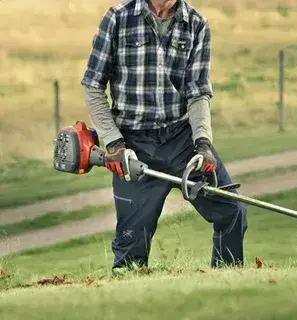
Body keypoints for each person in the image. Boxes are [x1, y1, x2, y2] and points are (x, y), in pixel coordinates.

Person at [81, 0, 247, 273]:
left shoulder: (197, 24)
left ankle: (227, 285)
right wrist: (114, 143)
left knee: (231, 212)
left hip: (182, 141)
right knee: (131, 249)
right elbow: (93, 85)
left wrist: (203, 144)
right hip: (133, 145)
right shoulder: (117, 19)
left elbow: (198, 92)